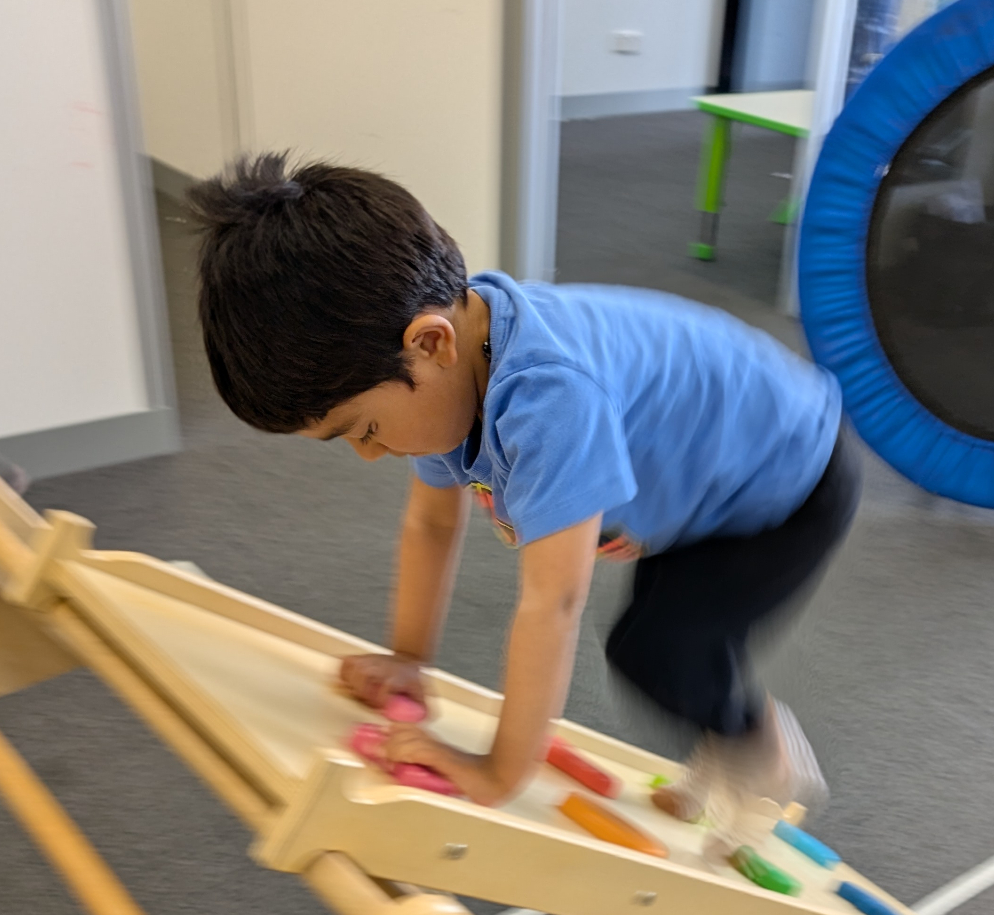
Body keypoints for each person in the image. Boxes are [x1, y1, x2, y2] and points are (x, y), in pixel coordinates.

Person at [189, 155, 862, 823]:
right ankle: (725, 736)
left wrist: (499, 772)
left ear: (430, 343)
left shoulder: (549, 398)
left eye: (363, 429)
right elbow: (430, 523)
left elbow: (552, 603)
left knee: (658, 649)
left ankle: (760, 749)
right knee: (656, 644)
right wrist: (407, 661)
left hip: (790, 476)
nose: (370, 455)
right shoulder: (448, 366)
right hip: (701, 468)